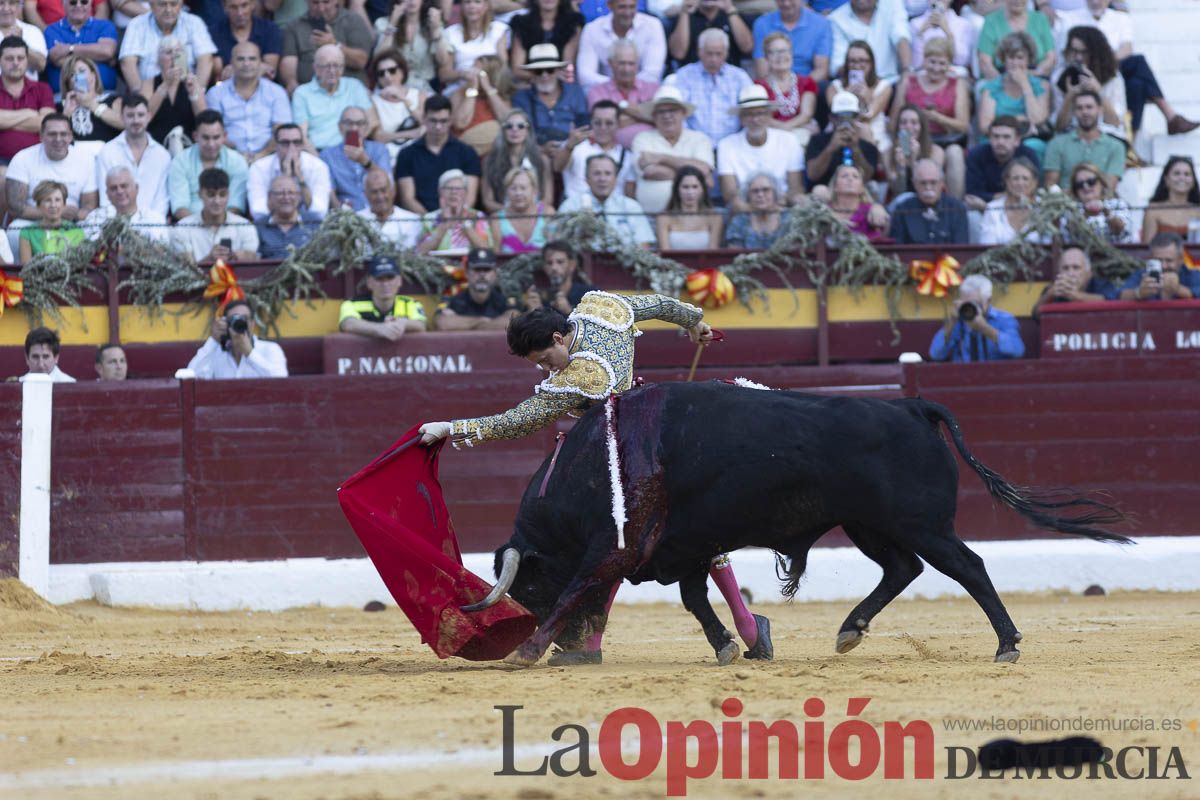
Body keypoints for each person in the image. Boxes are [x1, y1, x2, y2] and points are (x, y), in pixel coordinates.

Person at [416, 285, 771, 667]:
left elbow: (518, 420)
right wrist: (695, 323)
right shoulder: (601, 306)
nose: (547, 369)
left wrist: (452, 428)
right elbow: (658, 304)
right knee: (622, 538)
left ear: (558, 338)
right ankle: (745, 625)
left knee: (626, 536)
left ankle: (744, 622)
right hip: (652, 434)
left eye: (546, 359)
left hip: (623, 455)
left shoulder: (580, 377)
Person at [1058, 0, 1197, 136]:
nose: (1095, 2)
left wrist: (1102, 59)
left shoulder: (1120, 18)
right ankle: (1170, 115)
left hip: (1109, 68)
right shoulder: (1071, 18)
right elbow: (1066, 53)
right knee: (1138, 63)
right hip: (1080, 69)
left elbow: (1127, 49)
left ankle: (1132, 140)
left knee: (1137, 83)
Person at [5, 113, 98, 236]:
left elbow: (89, 207)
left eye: (63, 134)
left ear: (71, 136)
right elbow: (15, 207)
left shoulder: (86, 160)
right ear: (41, 136)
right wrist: (55, 213)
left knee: (93, 230)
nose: (58, 139)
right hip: (33, 221)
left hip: (71, 221)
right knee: (15, 232)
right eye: (52, 134)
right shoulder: (22, 158)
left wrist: (72, 215)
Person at [717, 83, 804, 213]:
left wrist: (779, 205)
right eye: (749, 115)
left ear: (769, 115)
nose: (755, 119)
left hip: (782, 207)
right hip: (745, 211)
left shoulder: (789, 140)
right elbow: (729, 194)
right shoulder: (726, 145)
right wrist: (759, 210)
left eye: (760, 113)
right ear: (741, 118)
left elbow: (796, 188)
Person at [204, 41, 292, 164]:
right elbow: (213, 132)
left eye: (252, 59)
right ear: (231, 63)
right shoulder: (215, 93)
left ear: (260, 63)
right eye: (241, 59)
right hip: (226, 159)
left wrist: (262, 155)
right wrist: (238, 156)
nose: (246, 64)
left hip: (271, 158)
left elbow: (282, 130)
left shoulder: (276, 92)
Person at [630, 85, 714, 214]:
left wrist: (661, 158)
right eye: (661, 112)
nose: (667, 116)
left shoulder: (700, 139)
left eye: (672, 110)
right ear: (654, 116)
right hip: (651, 215)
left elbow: (703, 169)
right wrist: (695, 177)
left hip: (693, 217)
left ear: (683, 114)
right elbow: (650, 172)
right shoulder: (642, 138)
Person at [394, 93, 481, 214]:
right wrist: (431, 220)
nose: (438, 126)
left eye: (443, 121)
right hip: (420, 220)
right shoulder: (407, 154)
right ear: (424, 119)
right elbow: (408, 199)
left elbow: (470, 198)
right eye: (433, 120)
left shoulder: (467, 152)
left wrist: (453, 219)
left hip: (459, 219)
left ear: (451, 120)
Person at [0, 36, 54, 219]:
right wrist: (29, 113)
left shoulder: (42, 89)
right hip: (2, 160)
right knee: (3, 177)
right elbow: (37, 120)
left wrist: (6, 119)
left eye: (20, 58)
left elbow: (46, 124)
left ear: (27, 60)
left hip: (37, 159)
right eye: (9, 58)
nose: (15, 63)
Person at [976, 31, 1050, 160]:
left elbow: (1037, 119)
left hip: (1029, 138)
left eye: (1020, 58)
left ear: (1028, 59)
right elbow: (984, 126)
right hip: (998, 139)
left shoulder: (1041, 85)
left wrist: (1025, 84)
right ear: (1003, 60)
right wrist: (1016, 121)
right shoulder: (991, 87)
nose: (1015, 63)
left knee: (1034, 146)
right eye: (1011, 57)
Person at [95, 93, 171, 217]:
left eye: (140, 115)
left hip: (152, 224)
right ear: (122, 117)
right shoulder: (107, 151)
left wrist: (151, 224)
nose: (136, 120)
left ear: (149, 116)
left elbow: (162, 201)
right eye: (130, 115)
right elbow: (106, 199)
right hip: (116, 223)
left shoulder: (162, 155)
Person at [558, 153, 655, 248]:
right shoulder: (570, 206)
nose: (602, 179)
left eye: (608, 173)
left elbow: (643, 244)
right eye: (597, 173)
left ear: (616, 179)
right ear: (586, 179)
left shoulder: (631, 206)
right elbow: (559, 244)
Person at [118, 0, 215, 95]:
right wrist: (140, 97)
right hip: (149, 93)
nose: (168, 9)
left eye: (174, 4)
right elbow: (127, 62)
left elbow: (206, 59)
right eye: (162, 4)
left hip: (186, 92)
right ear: (151, 5)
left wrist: (197, 93)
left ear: (181, 4)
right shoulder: (136, 24)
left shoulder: (194, 22)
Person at [167, 109, 249, 220]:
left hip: (228, 224)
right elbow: (179, 207)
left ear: (224, 136)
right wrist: (200, 225)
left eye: (216, 137)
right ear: (195, 136)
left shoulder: (237, 161)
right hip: (189, 225)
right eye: (206, 138)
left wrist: (217, 224)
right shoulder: (180, 161)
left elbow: (236, 206)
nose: (211, 144)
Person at [291, 43, 373, 152]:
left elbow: (371, 122)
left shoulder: (354, 86)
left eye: (337, 66)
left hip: (352, 149)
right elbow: (302, 135)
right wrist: (317, 158)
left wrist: (351, 148)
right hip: (318, 151)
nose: (332, 70)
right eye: (326, 66)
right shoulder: (302, 93)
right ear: (315, 67)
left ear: (343, 68)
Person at [279, 0, 373, 93]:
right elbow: (289, 60)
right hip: (310, 94)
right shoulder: (295, 26)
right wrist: (291, 82)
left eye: (326, 2)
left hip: (349, 93)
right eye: (315, 3)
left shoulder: (353, 20)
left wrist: (334, 44)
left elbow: (361, 61)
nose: (321, 8)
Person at [928, 274, 1025, 362]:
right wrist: (951, 322)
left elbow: (1017, 351)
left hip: (996, 373)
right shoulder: (958, 320)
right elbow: (936, 354)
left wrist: (985, 328)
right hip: (962, 374)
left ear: (988, 301)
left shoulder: (1003, 319)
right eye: (966, 303)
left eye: (975, 303)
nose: (970, 308)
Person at [186, 296, 289, 378]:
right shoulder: (216, 352)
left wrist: (249, 353)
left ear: (252, 324)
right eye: (234, 319)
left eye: (244, 318)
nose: (240, 323)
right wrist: (213, 340)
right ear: (226, 323)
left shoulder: (270, 349)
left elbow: (281, 378)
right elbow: (190, 376)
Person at [1042, 90, 1123, 193]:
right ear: (1073, 112)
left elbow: (1110, 187)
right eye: (1079, 108)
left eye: (1089, 107)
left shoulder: (1116, 147)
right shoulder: (1057, 144)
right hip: (1065, 201)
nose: (1084, 112)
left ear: (1100, 110)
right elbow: (1051, 185)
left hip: (1101, 201)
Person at [246, 122, 332, 218]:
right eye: (285, 143)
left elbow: (319, 212)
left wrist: (301, 181)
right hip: (272, 224)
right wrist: (285, 179)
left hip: (309, 224)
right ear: (275, 145)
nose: (292, 148)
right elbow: (258, 212)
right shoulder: (259, 168)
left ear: (302, 145)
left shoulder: (318, 167)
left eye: (296, 142)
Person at [554, 100, 634, 202]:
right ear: (591, 123)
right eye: (597, 123)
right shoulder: (575, 146)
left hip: (613, 209)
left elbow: (629, 194)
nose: (603, 128)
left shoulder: (627, 156)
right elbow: (557, 167)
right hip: (576, 208)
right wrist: (569, 147)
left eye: (609, 123)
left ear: (618, 124)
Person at [171, 167, 259, 261]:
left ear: (228, 194)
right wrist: (210, 259)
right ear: (200, 194)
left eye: (222, 195)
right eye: (211, 195)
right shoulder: (182, 228)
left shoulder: (245, 226)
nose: (217, 201)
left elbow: (253, 259)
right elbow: (185, 267)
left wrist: (234, 256)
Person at [584, 38, 657, 149]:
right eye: (621, 63)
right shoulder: (597, 91)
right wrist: (645, 116)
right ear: (610, 63)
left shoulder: (653, 89)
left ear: (637, 64)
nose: (626, 69)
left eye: (631, 63)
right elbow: (604, 123)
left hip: (650, 151)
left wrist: (621, 108)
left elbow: (660, 118)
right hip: (610, 153)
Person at [576, 0, 664, 91]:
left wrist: (624, 87)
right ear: (610, 5)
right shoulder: (592, 29)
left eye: (632, 7)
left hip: (643, 93)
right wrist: (615, 88)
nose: (627, 13)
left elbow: (653, 73)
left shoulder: (653, 26)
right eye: (622, 7)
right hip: (603, 94)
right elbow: (585, 75)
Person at [511, 44, 588, 147]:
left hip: (574, 147)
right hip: (536, 149)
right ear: (531, 73)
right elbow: (520, 132)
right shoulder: (521, 98)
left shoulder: (575, 92)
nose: (544, 75)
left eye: (550, 70)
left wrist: (569, 145)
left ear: (558, 71)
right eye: (539, 71)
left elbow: (584, 125)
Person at [337, 253, 427, 340]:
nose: (385, 284)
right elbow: (348, 324)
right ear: (369, 283)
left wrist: (404, 323)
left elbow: (421, 325)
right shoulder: (352, 304)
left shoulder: (410, 304)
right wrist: (380, 328)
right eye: (379, 278)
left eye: (390, 278)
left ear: (399, 281)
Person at [1052, 25, 1123, 134]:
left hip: (1106, 136)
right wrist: (1069, 97)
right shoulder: (1060, 77)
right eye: (1074, 51)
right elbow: (1059, 128)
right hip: (1071, 136)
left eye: (1084, 52)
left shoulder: (1113, 77)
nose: (1079, 57)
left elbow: (1115, 122)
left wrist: (1098, 91)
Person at [480, 108, 552, 213]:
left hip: (535, 215)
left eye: (521, 126)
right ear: (503, 130)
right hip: (503, 216)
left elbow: (547, 199)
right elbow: (488, 201)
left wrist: (529, 212)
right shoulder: (489, 161)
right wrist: (512, 213)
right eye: (509, 126)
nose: (515, 130)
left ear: (528, 130)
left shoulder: (542, 160)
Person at [804, 89, 878, 190]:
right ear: (831, 118)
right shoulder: (817, 141)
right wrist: (831, 148)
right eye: (840, 116)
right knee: (820, 190)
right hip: (825, 194)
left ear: (857, 118)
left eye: (850, 116)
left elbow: (867, 178)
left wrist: (855, 148)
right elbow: (812, 175)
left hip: (856, 194)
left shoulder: (868, 146)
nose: (845, 120)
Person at [963, 115, 1039, 213]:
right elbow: (972, 194)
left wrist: (992, 201)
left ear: (1017, 140)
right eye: (996, 136)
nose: (1000, 142)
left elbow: (1032, 189)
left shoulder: (1028, 155)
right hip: (981, 208)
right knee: (972, 215)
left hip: (1020, 206)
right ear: (989, 138)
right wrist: (1008, 196)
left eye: (1006, 137)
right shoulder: (977, 155)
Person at [320, 105, 389, 210]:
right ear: (340, 127)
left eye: (360, 123)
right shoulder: (327, 155)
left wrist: (366, 162)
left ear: (367, 128)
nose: (354, 128)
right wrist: (343, 217)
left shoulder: (379, 150)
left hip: (377, 211)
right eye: (349, 123)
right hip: (347, 213)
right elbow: (330, 193)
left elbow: (388, 184)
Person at [755, 31, 817, 147]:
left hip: (800, 136)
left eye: (784, 50)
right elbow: (763, 118)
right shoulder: (759, 86)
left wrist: (787, 128)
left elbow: (806, 115)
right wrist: (785, 129)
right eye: (774, 52)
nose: (780, 56)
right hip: (771, 136)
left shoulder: (807, 82)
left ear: (791, 54)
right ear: (766, 57)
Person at [434, 246, 519, 331]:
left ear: (495, 274)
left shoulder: (505, 299)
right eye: (477, 269)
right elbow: (442, 323)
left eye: (487, 269)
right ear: (466, 273)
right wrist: (481, 321)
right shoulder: (453, 299)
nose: (482, 274)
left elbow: (516, 321)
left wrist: (465, 323)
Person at [829, 0, 911, 86]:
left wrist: (907, 71)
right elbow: (838, 64)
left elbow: (901, 37)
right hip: (855, 84)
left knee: (907, 83)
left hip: (892, 81)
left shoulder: (892, 4)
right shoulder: (836, 19)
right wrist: (863, 83)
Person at [43, 0, 119, 93]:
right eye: (73, 2)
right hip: (64, 96)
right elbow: (56, 58)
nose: (78, 5)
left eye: (84, 2)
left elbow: (107, 51)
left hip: (104, 93)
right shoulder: (52, 30)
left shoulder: (105, 25)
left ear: (91, 4)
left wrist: (70, 48)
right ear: (63, 4)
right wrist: (98, 55)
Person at [80, 164, 171, 242]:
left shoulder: (154, 219)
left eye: (124, 186)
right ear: (107, 194)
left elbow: (161, 250)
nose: (119, 191)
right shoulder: (95, 218)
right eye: (113, 188)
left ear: (136, 188)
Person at [143, 35, 205, 146]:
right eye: (168, 52)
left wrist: (193, 95)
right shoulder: (149, 84)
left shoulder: (193, 82)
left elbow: (204, 120)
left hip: (187, 144)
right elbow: (143, 117)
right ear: (159, 59)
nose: (174, 56)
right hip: (155, 145)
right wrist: (165, 85)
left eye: (178, 51)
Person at [888, 158, 967, 244]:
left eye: (933, 182)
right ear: (914, 184)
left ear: (941, 183)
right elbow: (897, 248)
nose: (928, 188)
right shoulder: (902, 210)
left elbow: (961, 247)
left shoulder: (957, 209)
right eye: (923, 183)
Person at [447, 54, 513, 158]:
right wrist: (473, 88)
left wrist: (487, 88)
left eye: (477, 71)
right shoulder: (460, 94)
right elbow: (460, 123)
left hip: (493, 154)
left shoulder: (500, 97)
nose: (472, 73)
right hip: (465, 150)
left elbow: (507, 120)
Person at [368, 49, 426, 164]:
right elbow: (378, 137)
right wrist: (410, 134)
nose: (387, 76)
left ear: (402, 71)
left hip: (419, 155)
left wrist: (404, 99)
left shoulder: (418, 95)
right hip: (390, 157)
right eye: (381, 73)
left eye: (392, 70)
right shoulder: (373, 101)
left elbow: (428, 124)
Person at [751, 0, 831, 82]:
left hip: (808, 83)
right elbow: (762, 71)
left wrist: (799, 86)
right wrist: (782, 87)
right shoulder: (762, 24)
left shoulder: (820, 24)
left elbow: (821, 70)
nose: (786, 3)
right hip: (773, 83)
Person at [435, 0, 507, 91]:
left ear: (486, 6)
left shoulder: (498, 30)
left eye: (477, 2)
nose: (472, 6)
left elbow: (503, 67)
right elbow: (444, 75)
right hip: (460, 88)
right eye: (467, 2)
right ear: (461, 6)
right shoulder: (451, 33)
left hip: (492, 86)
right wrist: (463, 74)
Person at [415, 167, 491, 253]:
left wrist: (465, 223)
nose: (453, 192)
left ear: (466, 192)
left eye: (458, 188)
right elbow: (420, 252)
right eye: (449, 188)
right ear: (440, 191)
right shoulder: (429, 219)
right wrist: (444, 225)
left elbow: (487, 250)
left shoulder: (478, 216)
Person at [372, 0, 442, 93]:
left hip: (424, 87)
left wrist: (436, 30)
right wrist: (392, 24)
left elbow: (442, 61)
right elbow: (379, 59)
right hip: (391, 85)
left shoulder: (432, 22)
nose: (411, 1)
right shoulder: (383, 23)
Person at [1030, 244, 1118, 317]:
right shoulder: (1054, 289)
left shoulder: (1102, 285)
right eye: (1065, 268)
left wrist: (1076, 296)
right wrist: (1050, 294)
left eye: (1076, 268)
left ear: (1089, 273)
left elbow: (1112, 305)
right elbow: (1036, 316)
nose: (1070, 273)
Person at [976, 0, 1055, 81]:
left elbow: (1051, 57)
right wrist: (1004, 82)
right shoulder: (991, 21)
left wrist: (1033, 76)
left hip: (1035, 77)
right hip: (999, 78)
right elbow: (985, 61)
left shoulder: (1040, 20)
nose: (1017, 1)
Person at [509, 0, 584, 82]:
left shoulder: (573, 22)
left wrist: (551, 77)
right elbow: (517, 69)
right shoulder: (521, 23)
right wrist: (541, 77)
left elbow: (568, 64)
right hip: (528, 81)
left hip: (562, 81)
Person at [884, 105, 946, 203]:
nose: (908, 127)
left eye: (914, 122)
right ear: (898, 127)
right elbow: (898, 191)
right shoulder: (887, 153)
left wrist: (914, 163)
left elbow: (931, 187)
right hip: (901, 203)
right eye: (903, 122)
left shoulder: (936, 151)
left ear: (921, 127)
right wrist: (901, 168)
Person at [56, 55, 123, 145]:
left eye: (82, 71)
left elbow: (124, 124)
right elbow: (53, 136)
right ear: (68, 83)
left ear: (93, 75)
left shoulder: (113, 100)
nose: (78, 77)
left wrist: (91, 104)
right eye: (72, 75)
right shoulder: (61, 106)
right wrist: (66, 114)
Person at [669, 0, 752, 70]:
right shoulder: (684, 16)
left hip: (729, 77)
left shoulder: (732, 15)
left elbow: (747, 48)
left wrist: (730, 10)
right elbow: (678, 53)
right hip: (691, 77)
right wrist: (685, 12)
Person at [211, 0, 282, 81]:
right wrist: (258, 68)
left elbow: (269, 70)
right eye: (233, 7)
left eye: (244, 5)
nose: (240, 13)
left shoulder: (269, 29)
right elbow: (218, 73)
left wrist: (235, 69)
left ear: (253, 4)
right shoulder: (214, 33)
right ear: (225, 8)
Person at [656, 163, 722, 249]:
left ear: (702, 189)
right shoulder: (664, 218)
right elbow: (665, 252)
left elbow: (713, 251)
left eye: (695, 187)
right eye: (685, 187)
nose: (690, 192)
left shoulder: (714, 217)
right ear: (677, 189)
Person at [491, 165, 554, 254]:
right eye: (513, 188)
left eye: (523, 188)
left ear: (534, 191)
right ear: (506, 192)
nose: (518, 193)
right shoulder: (497, 219)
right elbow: (495, 255)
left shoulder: (547, 213)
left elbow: (555, 250)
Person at [978, 155, 1039, 245]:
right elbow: (987, 245)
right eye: (1015, 178)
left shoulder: (1044, 208)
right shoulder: (992, 209)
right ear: (1007, 181)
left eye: (1025, 178)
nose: (1020, 183)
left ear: (1034, 182)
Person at [1118, 232, 1197, 302]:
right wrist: (1139, 293)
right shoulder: (1142, 274)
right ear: (1151, 258)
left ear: (1180, 259)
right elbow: (1119, 296)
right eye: (1158, 260)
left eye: (1169, 260)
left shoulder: (1194, 276)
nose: (1163, 266)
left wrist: (1178, 289)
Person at [19, 179, 85, 262]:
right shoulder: (27, 232)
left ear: (64, 204)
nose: (53, 205)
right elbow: (26, 266)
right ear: (38, 205)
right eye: (48, 200)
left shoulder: (77, 231)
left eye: (57, 200)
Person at [254, 173, 318, 258]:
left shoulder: (315, 223)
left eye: (291, 193)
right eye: (280, 193)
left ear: (299, 196)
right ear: (270, 196)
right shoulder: (258, 227)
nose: (286, 197)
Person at [1066, 160, 1129, 244]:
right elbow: (1069, 234)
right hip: (1081, 250)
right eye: (1080, 184)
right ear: (1075, 190)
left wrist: (1106, 212)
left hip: (1114, 250)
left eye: (1091, 182)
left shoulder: (1117, 204)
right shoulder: (1070, 208)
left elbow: (1121, 232)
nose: (1086, 187)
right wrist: (1085, 215)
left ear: (1101, 183)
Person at [1140, 156, 1200, 244]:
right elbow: (1147, 247)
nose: (1182, 178)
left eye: (1187, 174)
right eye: (1176, 173)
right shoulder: (1153, 210)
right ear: (1166, 179)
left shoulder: (1198, 210)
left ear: (1193, 181)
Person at [357, 167, 420, 248]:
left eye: (383, 190)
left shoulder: (412, 221)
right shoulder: (356, 220)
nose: (380, 197)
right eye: (374, 192)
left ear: (393, 190)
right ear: (365, 194)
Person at [725, 172, 791, 248]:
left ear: (775, 193)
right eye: (755, 191)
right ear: (748, 196)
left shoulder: (790, 219)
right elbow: (734, 253)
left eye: (766, 190)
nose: (760, 195)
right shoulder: (739, 222)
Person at [823, 162, 888, 240]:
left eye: (855, 177)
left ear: (862, 188)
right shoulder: (823, 210)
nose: (850, 179)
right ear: (835, 187)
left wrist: (878, 208)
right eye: (844, 176)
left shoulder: (871, 210)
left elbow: (885, 233)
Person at [908, 0, 975, 73]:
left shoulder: (964, 24)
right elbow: (916, 64)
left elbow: (961, 61)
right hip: (925, 73)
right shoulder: (915, 23)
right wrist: (921, 33)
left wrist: (948, 32)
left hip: (953, 73)